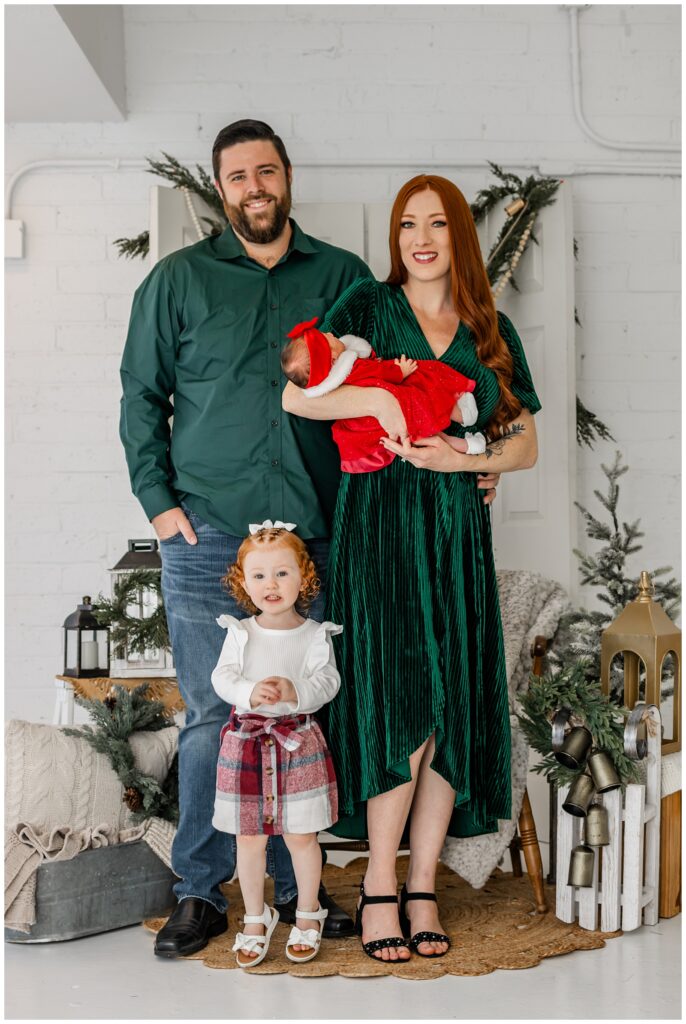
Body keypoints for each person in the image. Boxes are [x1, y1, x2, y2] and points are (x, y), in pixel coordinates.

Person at [119, 118, 380, 958]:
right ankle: (202, 890)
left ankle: (310, 888)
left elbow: (384, 387)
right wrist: (161, 506)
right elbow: (139, 396)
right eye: (238, 177)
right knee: (210, 717)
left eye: (267, 172)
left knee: (318, 705)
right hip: (209, 535)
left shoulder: (342, 277)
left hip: (320, 532)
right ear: (220, 188)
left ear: (286, 177)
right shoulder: (177, 281)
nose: (255, 188)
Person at [282, 174, 541, 962]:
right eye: (406, 225)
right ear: (394, 239)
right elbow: (299, 399)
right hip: (381, 529)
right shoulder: (366, 305)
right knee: (401, 704)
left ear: (457, 235)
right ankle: (380, 884)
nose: (420, 238)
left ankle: (424, 884)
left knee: (450, 705)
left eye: (435, 224)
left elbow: (524, 442)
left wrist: (467, 461)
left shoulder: (487, 326)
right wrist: (383, 406)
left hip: (456, 532)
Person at [211, 522, 341, 968]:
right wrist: (249, 691)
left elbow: (328, 682)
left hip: (296, 744)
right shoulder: (241, 631)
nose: (272, 585)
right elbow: (222, 677)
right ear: (243, 582)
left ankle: (308, 913)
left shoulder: (315, 634)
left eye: (283, 573)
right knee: (248, 839)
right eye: (260, 575)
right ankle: (254, 916)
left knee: (301, 835)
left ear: (303, 577)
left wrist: (294, 690)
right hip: (247, 743)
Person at [280, 317, 486, 472]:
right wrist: (401, 370)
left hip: (369, 430)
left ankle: (467, 445)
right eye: (328, 338)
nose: (331, 334)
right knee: (427, 396)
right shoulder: (352, 367)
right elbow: (381, 372)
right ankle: (461, 416)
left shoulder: (332, 382)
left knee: (430, 438)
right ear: (333, 360)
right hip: (393, 414)